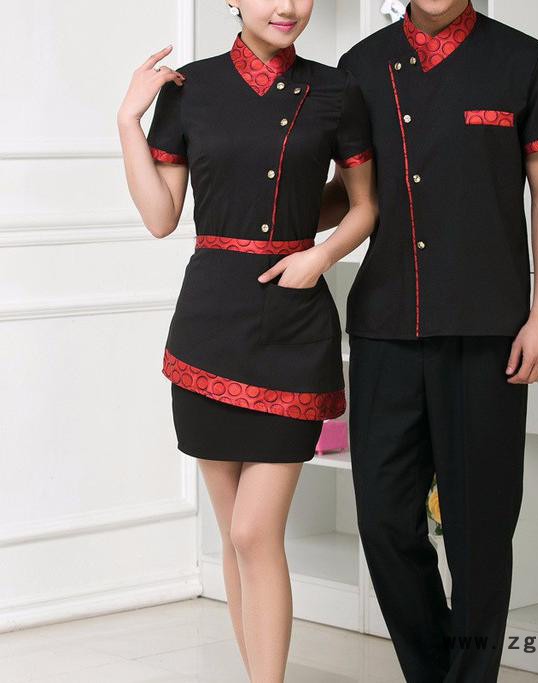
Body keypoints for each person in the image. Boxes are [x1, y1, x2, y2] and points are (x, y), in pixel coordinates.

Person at [117, 0, 377, 680]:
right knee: (235, 536)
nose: (286, 6)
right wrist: (127, 122)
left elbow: (365, 205)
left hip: (294, 326)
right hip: (208, 327)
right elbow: (160, 217)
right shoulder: (189, 88)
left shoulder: (336, 90)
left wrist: (320, 256)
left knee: (253, 531)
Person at [321, 1, 538, 680]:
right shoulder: (360, 67)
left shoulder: (522, 60)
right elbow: (349, 193)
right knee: (382, 520)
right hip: (385, 326)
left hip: (487, 328)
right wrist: (254, 203)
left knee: (479, 534)